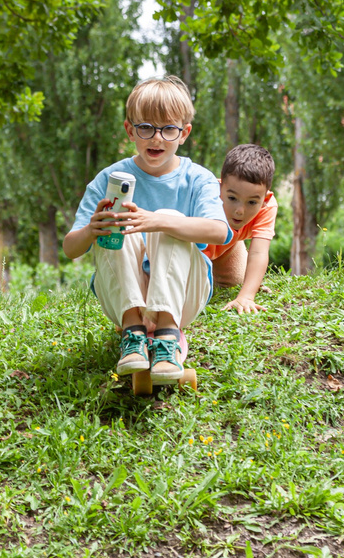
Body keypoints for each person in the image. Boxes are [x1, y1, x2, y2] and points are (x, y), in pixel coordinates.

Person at [63, 75, 232, 384]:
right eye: (146, 128)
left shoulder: (198, 178)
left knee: (169, 218)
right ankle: (133, 334)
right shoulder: (110, 179)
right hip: (127, 295)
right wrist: (91, 230)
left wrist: (157, 220)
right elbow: (71, 248)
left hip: (183, 296)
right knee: (113, 221)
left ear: (184, 133)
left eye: (168, 129)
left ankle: (168, 333)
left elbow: (219, 231)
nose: (157, 139)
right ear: (131, 131)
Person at [203, 143, 277, 315]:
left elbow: (259, 252)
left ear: (265, 199)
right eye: (232, 198)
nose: (240, 210)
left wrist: (246, 296)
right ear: (219, 187)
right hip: (194, 249)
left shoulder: (267, 207)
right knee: (198, 289)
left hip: (228, 246)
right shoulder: (206, 196)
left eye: (251, 202)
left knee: (238, 280)